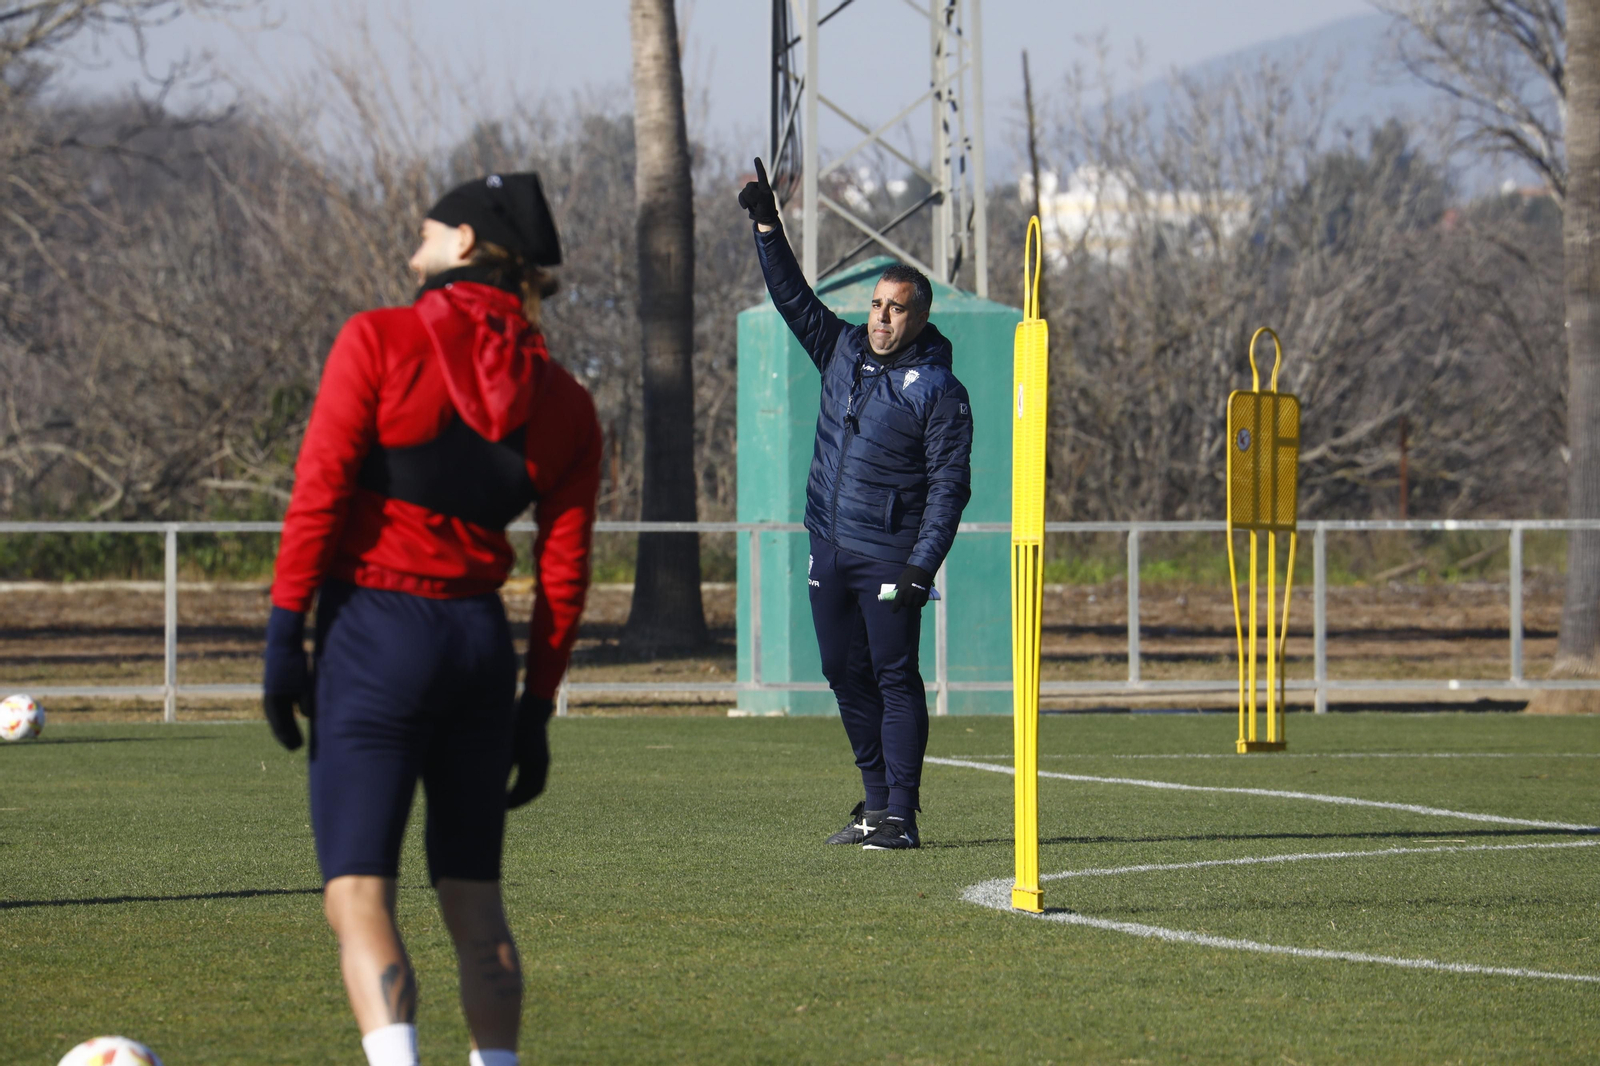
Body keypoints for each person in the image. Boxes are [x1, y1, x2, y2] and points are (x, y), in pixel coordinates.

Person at [261, 173, 601, 1066]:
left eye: (423, 236)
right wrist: (537, 706)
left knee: (358, 893)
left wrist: (284, 633)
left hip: (374, 634)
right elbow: (565, 575)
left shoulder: (379, 337)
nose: (413, 256)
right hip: (478, 646)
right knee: (476, 901)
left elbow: (320, 492)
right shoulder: (567, 401)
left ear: (463, 244)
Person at [738, 160, 973, 851]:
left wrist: (923, 567)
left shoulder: (939, 391)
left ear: (919, 317)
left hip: (891, 557)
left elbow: (949, 487)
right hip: (830, 546)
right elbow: (793, 299)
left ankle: (902, 814)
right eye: (876, 305)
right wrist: (768, 227)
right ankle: (873, 803)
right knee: (843, 673)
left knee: (895, 677)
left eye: (896, 308)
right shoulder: (842, 350)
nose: (881, 317)